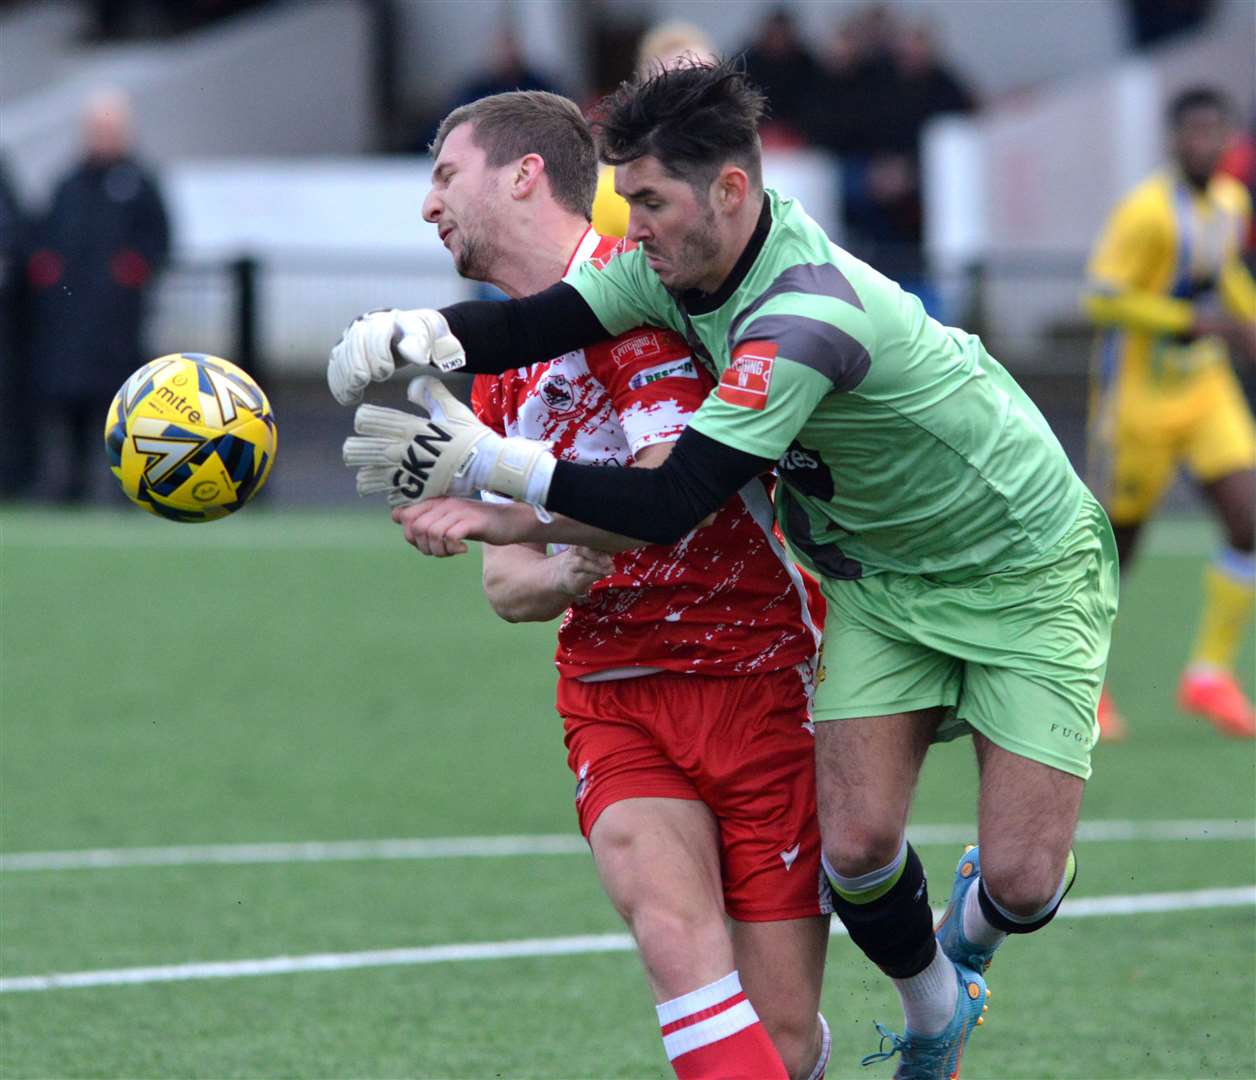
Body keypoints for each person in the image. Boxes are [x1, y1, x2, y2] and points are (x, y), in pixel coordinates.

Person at [328, 59, 1119, 1079]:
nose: (633, 226)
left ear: (729, 192)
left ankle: (975, 931)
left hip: (1020, 566)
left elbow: (667, 501)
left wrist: (493, 475)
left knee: (1017, 879)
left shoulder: (801, 319)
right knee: (857, 846)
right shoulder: (659, 268)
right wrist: (417, 334)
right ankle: (934, 1013)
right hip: (868, 578)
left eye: (648, 201)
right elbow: (537, 321)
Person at [361, 90, 835, 1080]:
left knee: (783, 1041)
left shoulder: (638, 294)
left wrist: (517, 509)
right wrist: (559, 556)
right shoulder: (495, 363)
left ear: (524, 174)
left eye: (444, 175)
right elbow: (509, 588)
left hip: (756, 683)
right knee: (673, 941)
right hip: (614, 697)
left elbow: (673, 493)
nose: (427, 205)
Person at [1084, 86, 1256, 740]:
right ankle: (1085, 685)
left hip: (1205, 390)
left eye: (1218, 131)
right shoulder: (1145, 213)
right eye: (1195, 132)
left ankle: (1210, 674)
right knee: (1115, 552)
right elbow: (1101, 298)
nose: (1206, 144)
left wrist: (1246, 319)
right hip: (1139, 403)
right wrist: (1189, 319)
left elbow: (1224, 274)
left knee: (1249, 518)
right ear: (1174, 140)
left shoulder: (1232, 202)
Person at [27, 87, 170, 502]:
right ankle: (69, 486)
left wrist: (128, 276)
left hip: (117, 324)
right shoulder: (68, 183)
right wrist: (48, 274)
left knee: (124, 408)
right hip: (69, 324)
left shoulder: (140, 184)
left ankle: (125, 487)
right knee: (67, 405)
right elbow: (43, 239)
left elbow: (157, 242)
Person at [590, 20, 715, 239]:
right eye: (674, 85)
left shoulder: (744, 174)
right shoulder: (611, 192)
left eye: (705, 82)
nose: (692, 97)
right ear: (644, 94)